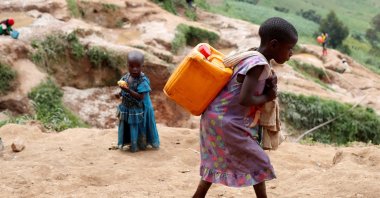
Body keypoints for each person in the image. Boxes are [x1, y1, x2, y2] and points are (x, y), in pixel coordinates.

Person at [192, 17, 298, 198]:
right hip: (227, 123)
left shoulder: (250, 55)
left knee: (216, 160)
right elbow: (245, 98)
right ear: (274, 44)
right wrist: (268, 96)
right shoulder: (258, 65)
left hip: (214, 117)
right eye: (289, 48)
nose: (291, 53)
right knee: (259, 160)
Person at [115, 50, 160, 152]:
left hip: (139, 108)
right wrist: (120, 94)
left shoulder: (143, 81)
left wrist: (128, 90)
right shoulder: (126, 77)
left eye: (138, 66)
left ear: (142, 66)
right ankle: (129, 141)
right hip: (127, 107)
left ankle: (137, 145)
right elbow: (123, 89)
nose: (135, 69)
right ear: (127, 65)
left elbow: (140, 97)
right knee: (128, 125)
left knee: (138, 126)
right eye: (131, 66)